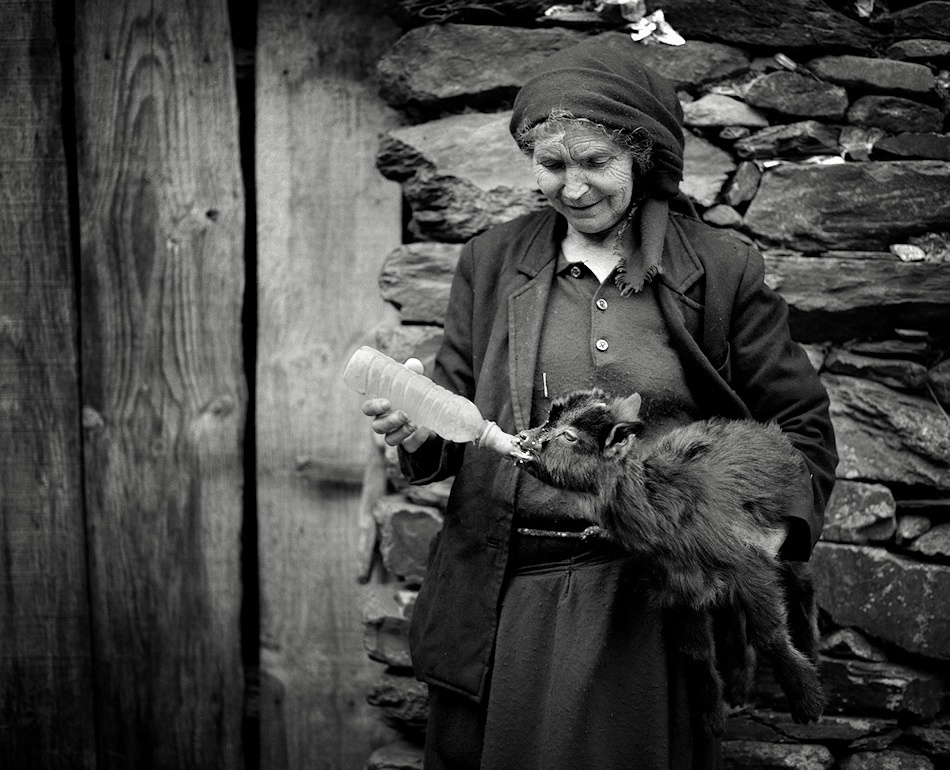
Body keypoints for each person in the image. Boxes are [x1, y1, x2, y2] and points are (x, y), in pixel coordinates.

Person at [362, 35, 837, 770]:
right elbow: (452, 411)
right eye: (552, 166)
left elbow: (802, 425)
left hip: (648, 606)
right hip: (508, 596)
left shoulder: (719, 268)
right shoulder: (494, 261)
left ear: (641, 158)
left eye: (595, 163)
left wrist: (760, 539)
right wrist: (415, 428)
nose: (573, 188)